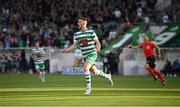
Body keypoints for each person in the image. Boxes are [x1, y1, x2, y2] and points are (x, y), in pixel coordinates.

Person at [60, 17, 113, 95]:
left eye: (79, 22)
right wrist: (66, 50)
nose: (78, 23)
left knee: (85, 68)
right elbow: (74, 46)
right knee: (95, 72)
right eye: (78, 22)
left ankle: (88, 88)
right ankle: (107, 76)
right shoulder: (77, 34)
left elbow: (97, 42)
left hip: (92, 53)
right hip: (85, 56)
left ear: (85, 23)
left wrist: (98, 48)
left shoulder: (91, 32)